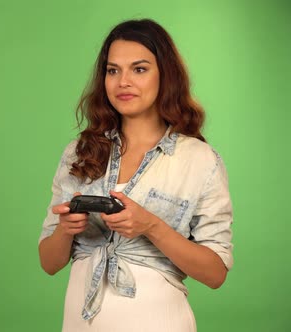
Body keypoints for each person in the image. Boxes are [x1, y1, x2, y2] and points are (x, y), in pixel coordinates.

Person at [38, 19, 233, 332]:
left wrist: (151, 226)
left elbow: (215, 274)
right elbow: (49, 263)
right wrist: (65, 230)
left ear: (165, 76)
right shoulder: (81, 152)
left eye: (139, 69)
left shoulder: (199, 160)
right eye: (113, 70)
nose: (122, 82)